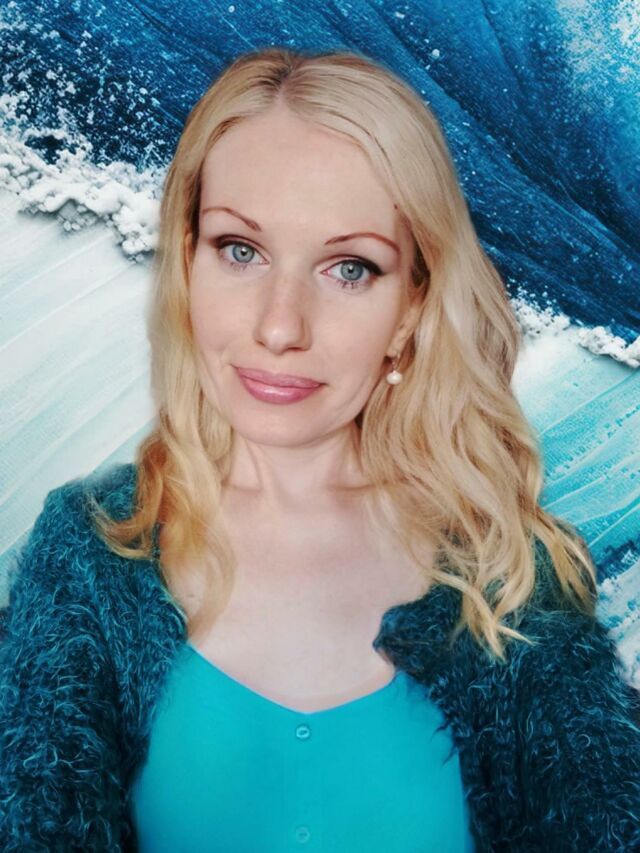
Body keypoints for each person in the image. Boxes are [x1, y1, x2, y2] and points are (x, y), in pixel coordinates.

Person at [1, 46, 639, 853]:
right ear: (187, 262)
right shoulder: (90, 553)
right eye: (240, 250)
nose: (280, 326)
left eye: (349, 269)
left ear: (412, 309)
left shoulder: (511, 576)